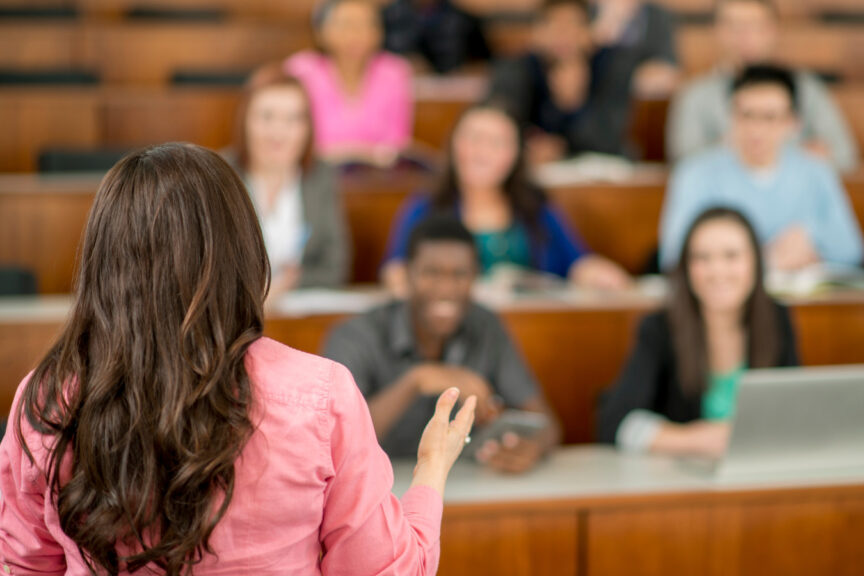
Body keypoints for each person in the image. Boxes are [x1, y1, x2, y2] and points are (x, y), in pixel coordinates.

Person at [0, 143, 474, 575]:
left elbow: (23, 565)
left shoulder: (45, 399)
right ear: (243, 251)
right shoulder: (321, 397)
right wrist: (431, 468)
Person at [324, 215, 561, 474]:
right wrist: (417, 380)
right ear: (407, 276)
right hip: (376, 489)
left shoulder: (487, 327)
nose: (446, 288)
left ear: (475, 278)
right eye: (431, 273)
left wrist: (530, 448)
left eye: (460, 274)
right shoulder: (355, 335)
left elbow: (547, 424)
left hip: (463, 486)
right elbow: (336, 440)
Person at [599, 207, 799, 456]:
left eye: (731, 256)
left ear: (755, 263)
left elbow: (795, 412)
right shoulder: (659, 328)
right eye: (702, 258)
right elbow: (614, 423)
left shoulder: (776, 318)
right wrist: (699, 439)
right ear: (686, 267)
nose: (717, 271)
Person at [382, 102, 632, 293]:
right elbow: (396, 272)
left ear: (515, 155)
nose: (483, 152)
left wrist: (601, 275)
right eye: (474, 139)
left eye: (497, 143)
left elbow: (577, 263)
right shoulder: (426, 207)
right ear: (454, 145)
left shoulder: (535, 207)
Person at [659, 65, 864, 272]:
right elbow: (673, 254)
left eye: (770, 117)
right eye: (747, 115)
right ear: (730, 117)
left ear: (793, 123)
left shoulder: (816, 172)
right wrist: (759, 259)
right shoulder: (695, 174)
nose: (756, 130)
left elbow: (852, 249)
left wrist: (811, 240)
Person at [666, 0, 857, 172]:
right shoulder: (694, 95)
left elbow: (844, 157)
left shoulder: (808, 88)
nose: (745, 36)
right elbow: (685, 164)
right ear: (717, 30)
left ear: (773, 30)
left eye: (755, 26)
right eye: (734, 27)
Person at [226, 66, 350, 305]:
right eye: (267, 117)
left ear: (307, 128)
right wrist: (256, 292)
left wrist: (286, 287)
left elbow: (335, 266)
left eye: (293, 119)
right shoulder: (219, 173)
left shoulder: (321, 176)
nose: (279, 132)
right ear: (245, 121)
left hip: (298, 313)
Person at [488, 0, 638, 163]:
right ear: (538, 32)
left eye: (572, 24)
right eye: (553, 24)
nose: (563, 35)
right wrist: (530, 147)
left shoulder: (614, 65)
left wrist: (574, 105)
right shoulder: (516, 67)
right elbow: (500, 121)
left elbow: (609, 139)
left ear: (589, 31)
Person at [285, 0, 413, 166]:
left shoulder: (395, 73)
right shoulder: (300, 71)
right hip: (313, 175)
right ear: (321, 31)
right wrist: (363, 153)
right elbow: (296, 142)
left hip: (375, 179)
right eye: (346, 24)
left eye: (367, 24)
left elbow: (396, 146)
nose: (357, 33)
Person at [590, 0, 679, 93]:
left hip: (641, 98)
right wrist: (604, 29)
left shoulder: (658, 16)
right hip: (598, 97)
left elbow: (669, 66)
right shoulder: (590, 11)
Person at [381, 0, 492, 74]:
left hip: (450, 92)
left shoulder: (462, 19)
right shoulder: (389, 16)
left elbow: (482, 63)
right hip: (397, 86)